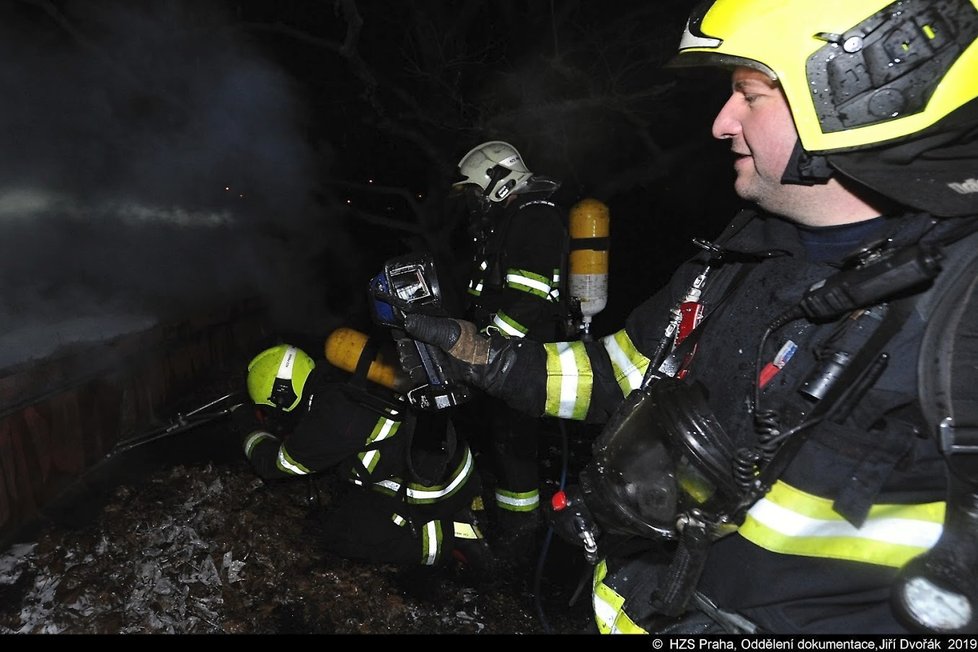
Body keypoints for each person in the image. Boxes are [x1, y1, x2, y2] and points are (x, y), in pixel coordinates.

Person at [398, 0, 978, 635]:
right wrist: (481, 354)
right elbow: (623, 373)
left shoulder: (961, 320)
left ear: (871, 101)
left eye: (750, 95)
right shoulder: (740, 259)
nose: (722, 123)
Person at [233, 339, 492, 572]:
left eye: (273, 409)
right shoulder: (340, 376)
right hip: (455, 458)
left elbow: (277, 464)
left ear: (282, 396)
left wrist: (248, 428)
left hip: (432, 487)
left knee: (340, 535)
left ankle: (450, 535)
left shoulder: (328, 418)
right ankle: (465, 506)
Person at [448, 140, 572, 562]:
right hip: (504, 353)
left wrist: (486, 346)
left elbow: (532, 297)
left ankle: (523, 538)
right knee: (496, 439)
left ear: (499, 181)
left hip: (524, 358)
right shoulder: (510, 219)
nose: (473, 200)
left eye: (475, 190)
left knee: (514, 444)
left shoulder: (535, 218)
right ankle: (502, 520)